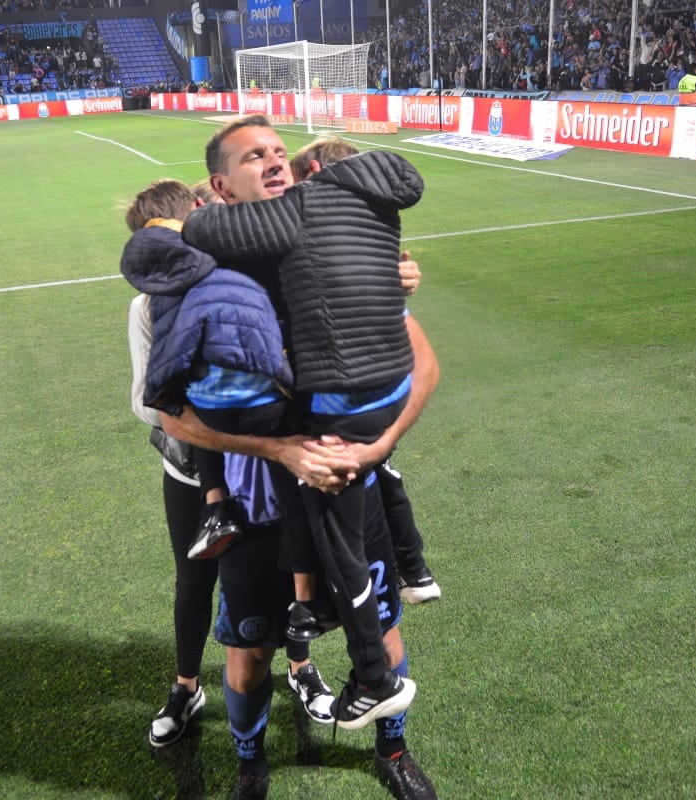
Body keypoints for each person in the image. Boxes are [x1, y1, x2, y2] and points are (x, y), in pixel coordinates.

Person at [162, 116, 440, 799]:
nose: (277, 162)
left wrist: (375, 448)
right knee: (251, 649)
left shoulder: (345, 257)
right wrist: (280, 449)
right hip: (254, 506)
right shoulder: (193, 282)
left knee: (378, 626)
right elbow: (173, 416)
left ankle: (393, 749)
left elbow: (426, 365)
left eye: (281, 151)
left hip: (352, 478)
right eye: (256, 157)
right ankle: (252, 763)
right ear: (221, 187)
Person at [125, 180, 337, 744]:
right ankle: (187, 685)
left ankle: (298, 666)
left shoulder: (256, 283)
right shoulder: (147, 304)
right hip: (193, 474)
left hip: (263, 472)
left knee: (286, 572)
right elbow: (155, 410)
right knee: (194, 581)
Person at [288, 139, 443, 608]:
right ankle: (412, 572)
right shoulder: (373, 208)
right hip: (377, 386)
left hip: (348, 391)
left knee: (338, 489)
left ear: (313, 171)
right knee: (380, 466)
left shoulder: (318, 221)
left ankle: (329, 609)